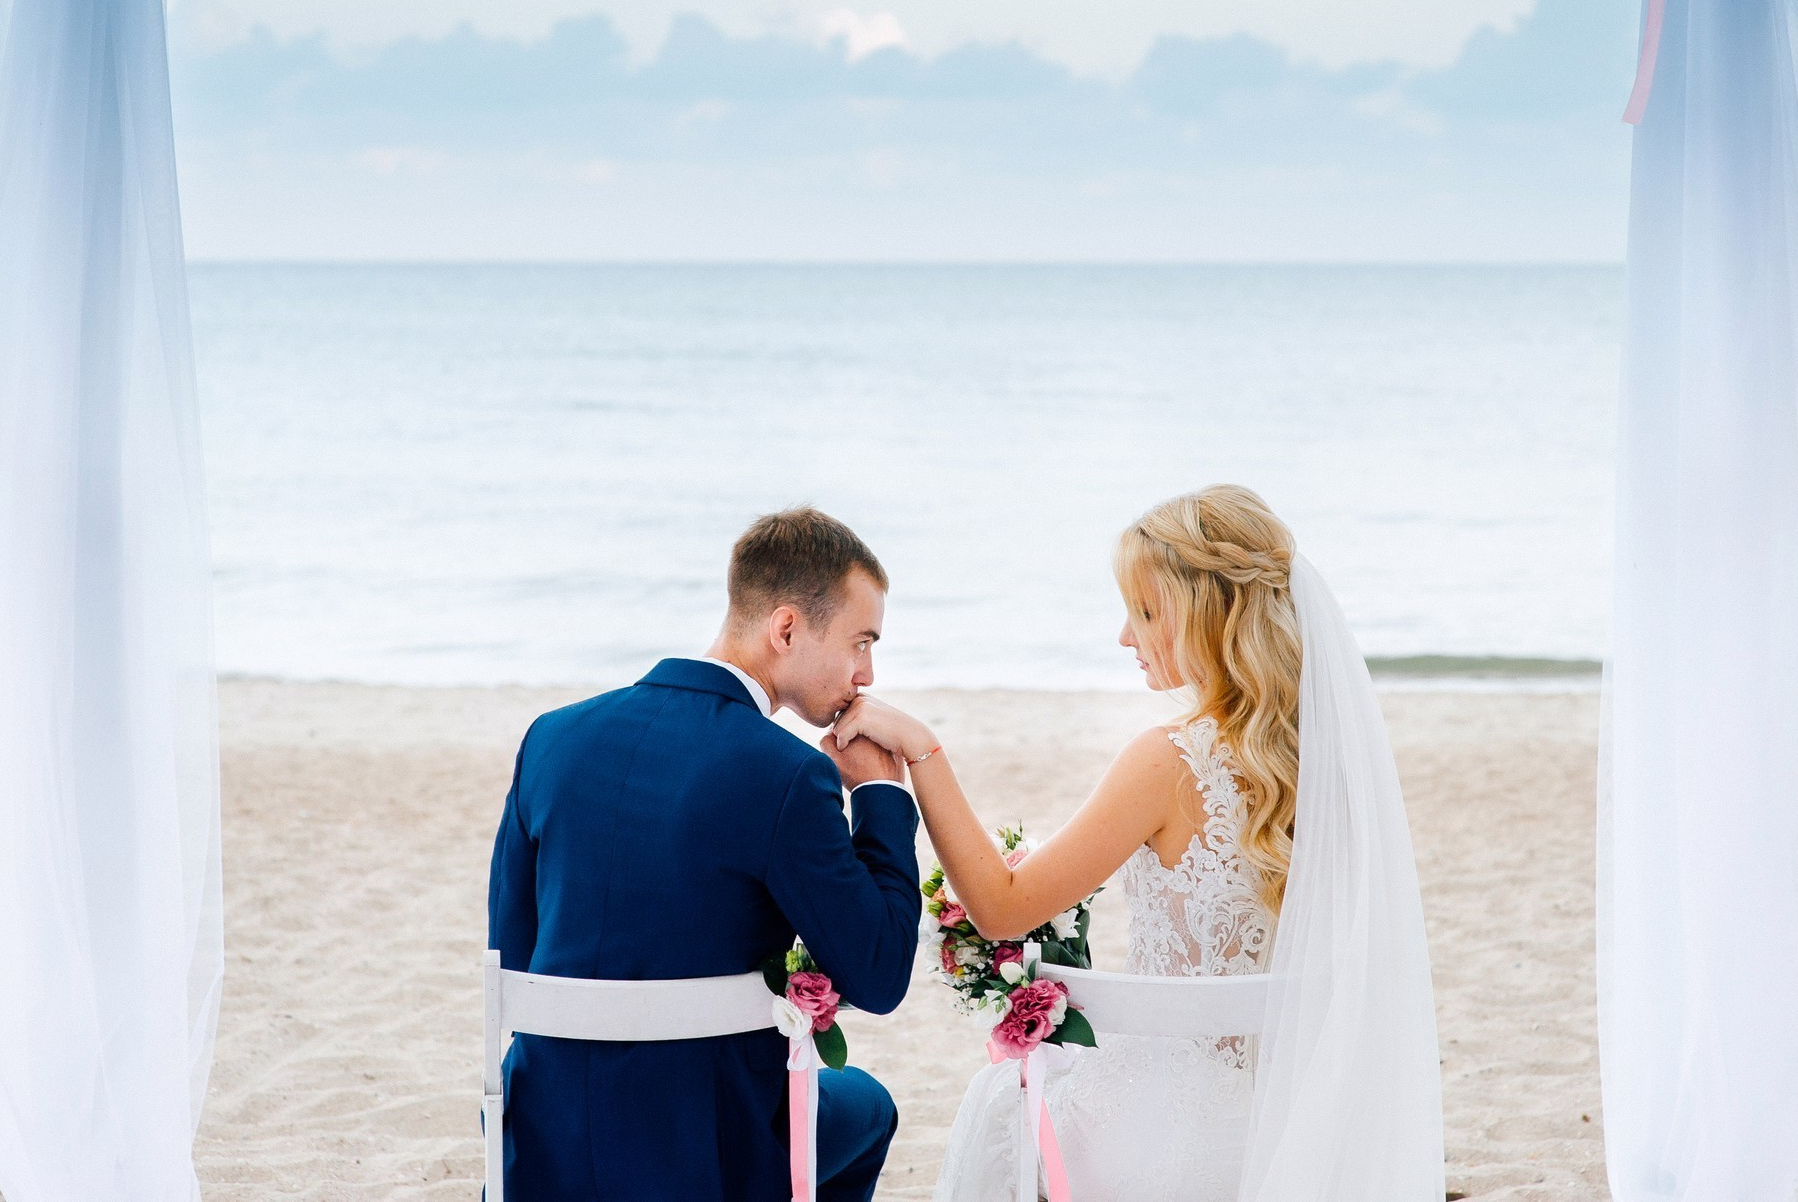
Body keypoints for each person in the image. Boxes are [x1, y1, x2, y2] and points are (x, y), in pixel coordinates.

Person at [834, 484, 1444, 1202]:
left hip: (1156, 1136)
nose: (1126, 636)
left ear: (1211, 617)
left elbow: (1002, 910)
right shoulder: (1339, 766)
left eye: (1147, 612)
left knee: (1001, 1106)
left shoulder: (1170, 760)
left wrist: (923, 752)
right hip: (1296, 1123)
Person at [488, 507, 922, 1201]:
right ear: (786, 628)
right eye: (860, 641)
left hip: (544, 1143)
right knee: (867, 1106)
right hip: (709, 1150)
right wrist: (881, 796)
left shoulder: (552, 738)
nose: (867, 673)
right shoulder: (785, 773)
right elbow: (878, 974)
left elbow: (511, 959)